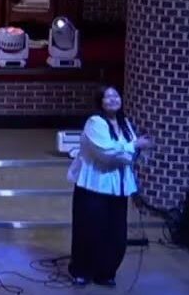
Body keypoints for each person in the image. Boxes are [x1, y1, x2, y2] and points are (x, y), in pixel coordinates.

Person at [66, 85, 153, 286]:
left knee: (115, 234)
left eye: (116, 95)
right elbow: (107, 154)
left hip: (118, 187)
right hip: (94, 187)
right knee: (90, 230)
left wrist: (137, 149)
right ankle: (82, 271)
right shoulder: (95, 123)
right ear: (100, 101)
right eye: (108, 97)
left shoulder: (125, 123)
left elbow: (127, 155)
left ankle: (106, 272)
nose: (113, 99)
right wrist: (133, 146)